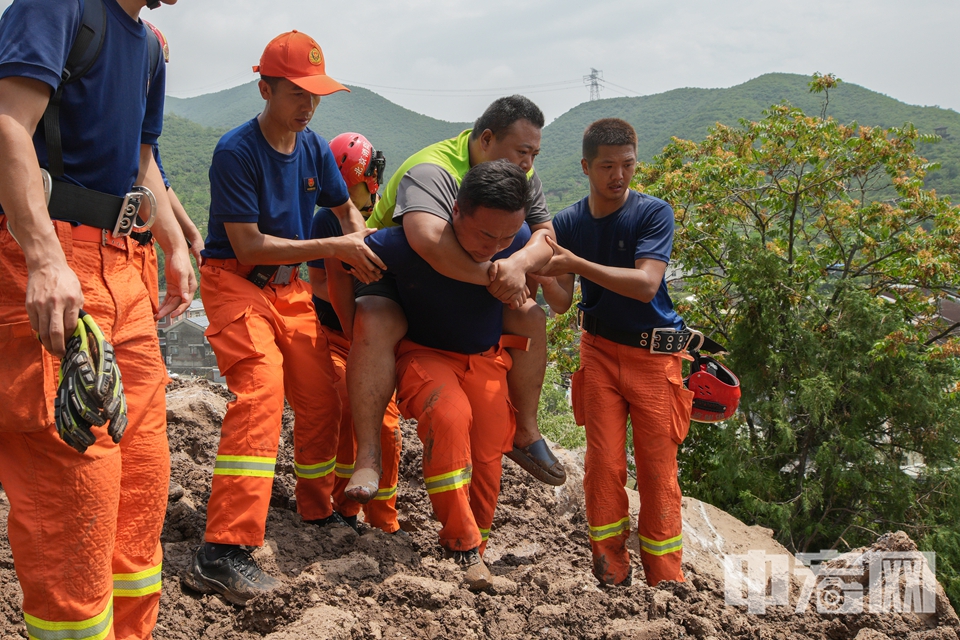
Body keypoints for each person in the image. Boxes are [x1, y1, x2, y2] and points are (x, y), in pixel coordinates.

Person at [0, 0, 196, 637]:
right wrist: (42, 255)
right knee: (76, 474)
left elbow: (142, 158)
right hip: (55, 255)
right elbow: (7, 123)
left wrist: (169, 244)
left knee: (141, 474)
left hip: (125, 265)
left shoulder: (146, 45)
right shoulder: (59, 6)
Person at [183, 31, 386, 605]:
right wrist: (333, 251)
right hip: (234, 284)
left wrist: (358, 239)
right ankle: (222, 549)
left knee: (322, 395)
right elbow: (247, 247)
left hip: (290, 289)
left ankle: (316, 509)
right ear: (265, 87)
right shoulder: (236, 151)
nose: (309, 105)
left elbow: (343, 204)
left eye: (316, 94)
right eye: (298, 92)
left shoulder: (314, 145)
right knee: (261, 391)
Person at [346, 96, 566, 503]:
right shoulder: (433, 170)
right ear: (486, 139)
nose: (529, 163)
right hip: (391, 273)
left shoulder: (521, 175)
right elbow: (429, 243)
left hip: (471, 273)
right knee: (377, 320)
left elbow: (546, 237)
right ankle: (368, 456)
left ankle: (527, 430)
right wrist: (499, 276)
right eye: (522, 151)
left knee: (531, 317)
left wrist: (516, 264)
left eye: (535, 153)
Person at [360, 160, 535, 589]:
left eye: (506, 237)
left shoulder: (521, 243)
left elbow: (552, 267)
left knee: (489, 452)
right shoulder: (406, 245)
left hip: (487, 359)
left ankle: (478, 545)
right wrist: (356, 327)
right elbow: (349, 253)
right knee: (450, 417)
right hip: (426, 356)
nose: (494, 247)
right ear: (456, 211)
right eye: (484, 234)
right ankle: (462, 548)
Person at [536, 118, 694, 587]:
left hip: (653, 358)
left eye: (627, 164)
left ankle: (666, 581)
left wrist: (575, 262)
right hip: (599, 352)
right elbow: (562, 301)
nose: (619, 176)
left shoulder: (652, 213)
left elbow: (647, 285)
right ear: (586, 166)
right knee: (603, 466)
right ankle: (610, 572)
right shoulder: (567, 222)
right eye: (607, 166)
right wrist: (541, 258)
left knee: (657, 471)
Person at [307, 132, 402, 534]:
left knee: (386, 426)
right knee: (343, 404)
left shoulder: (394, 214)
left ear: (372, 180)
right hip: (337, 333)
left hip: (378, 340)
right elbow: (316, 282)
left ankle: (384, 518)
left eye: (352, 188)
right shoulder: (326, 219)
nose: (343, 196)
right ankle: (342, 507)